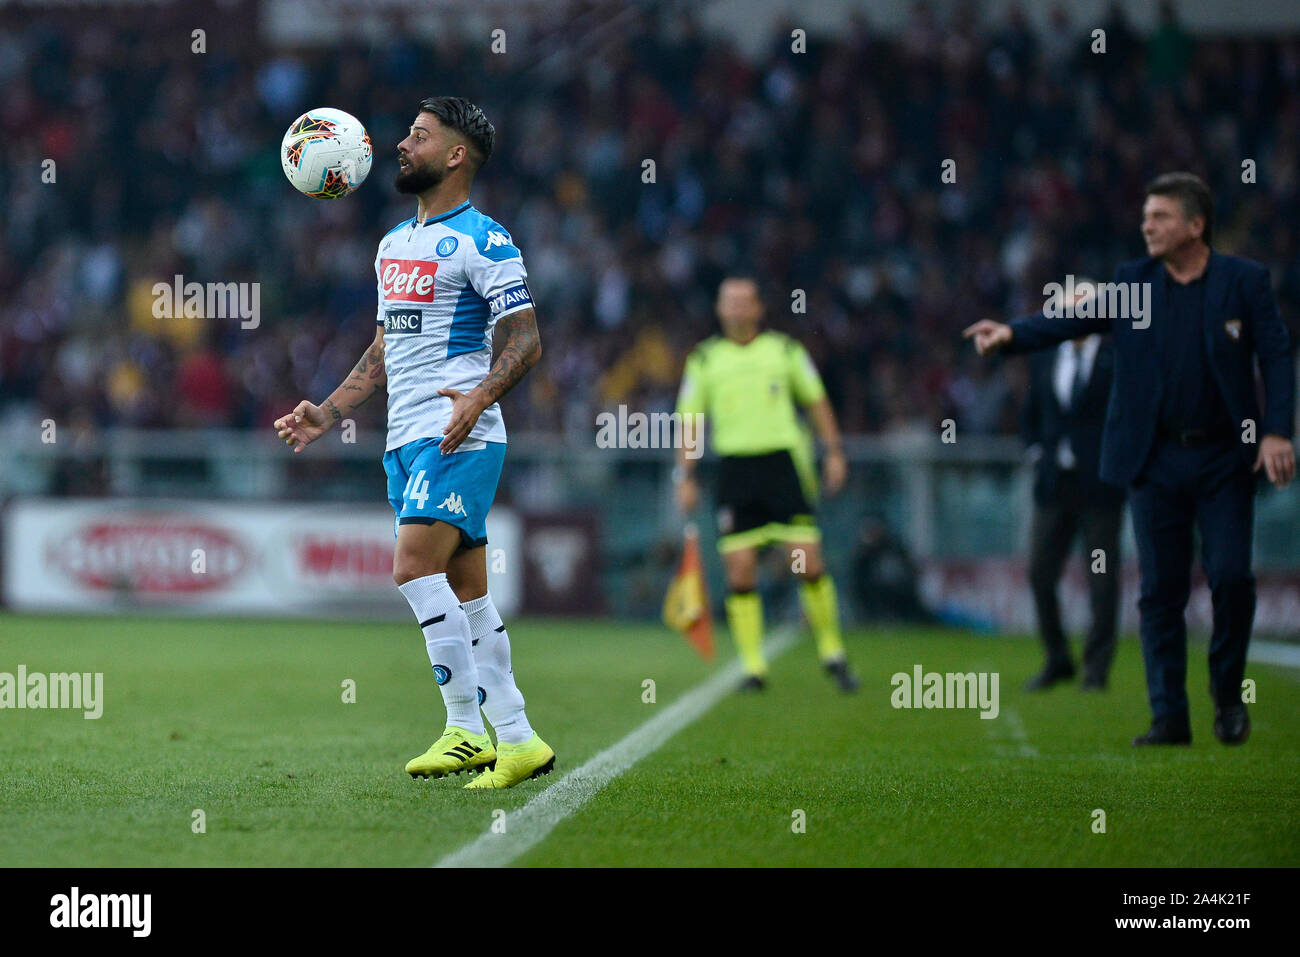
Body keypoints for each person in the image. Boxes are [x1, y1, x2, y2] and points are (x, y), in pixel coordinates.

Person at [274, 97, 555, 788]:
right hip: (406, 438)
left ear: (456, 156)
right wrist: (329, 410)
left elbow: (526, 339)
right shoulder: (393, 244)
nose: (402, 144)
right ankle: (516, 736)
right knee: (467, 590)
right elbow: (384, 346)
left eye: (420, 137)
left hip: (459, 430)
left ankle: (464, 727)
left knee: (410, 566)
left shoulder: (484, 240)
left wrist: (481, 397)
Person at [965, 172, 1295, 746]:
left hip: (1223, 458)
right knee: (1159, 591)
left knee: (1233, 580)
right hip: (1154, 459)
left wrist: (1276, 432)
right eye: (1145, 215)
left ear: (1196, 225)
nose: (1147, 225)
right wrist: (1011, 335)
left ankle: (1226, 695)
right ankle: (1168, 715)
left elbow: (1277, 354)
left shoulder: (1243, 282)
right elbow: (1067, 319)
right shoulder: (1133, 286)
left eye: (1161, 216)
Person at [674, 277, 858, 693]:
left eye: (745, 302)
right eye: (729, 302)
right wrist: (684, 475)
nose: (737, 309)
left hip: (781, 466)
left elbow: (816, 401)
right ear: (720, 310)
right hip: (736, 470)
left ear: (758, 308)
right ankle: (753, 667)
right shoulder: (705, 359)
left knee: (807, 561)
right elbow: (690, 420)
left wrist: (834, 451)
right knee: (740, 571)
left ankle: (833, 651)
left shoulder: (785, 350)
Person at [1020, 319, 1125, 692]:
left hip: (1099, 488)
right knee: (1039, 572)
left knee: (1100, 578)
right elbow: (1031, 412)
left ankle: (1096, 669)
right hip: (1055, 485)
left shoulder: (1116, 356)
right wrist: (1036, 453)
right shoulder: (1046, 357)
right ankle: (1058, 658)